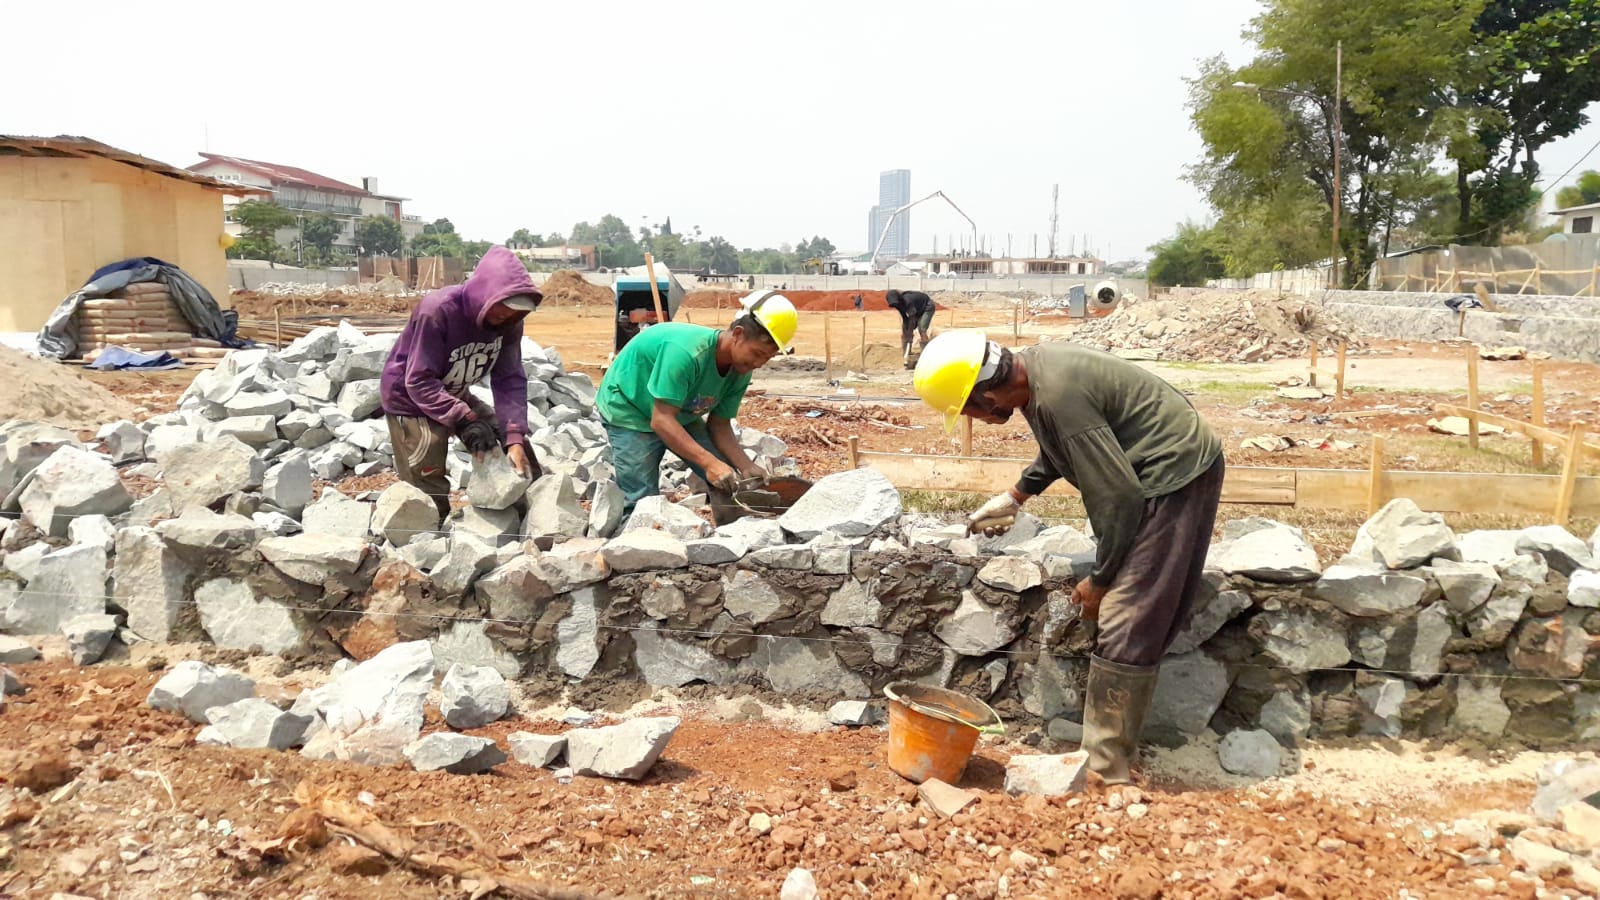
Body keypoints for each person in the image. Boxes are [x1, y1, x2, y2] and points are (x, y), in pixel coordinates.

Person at [912, 331, 1224, 785]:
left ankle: (1104, 769)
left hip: (1172, 476)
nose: (974, 421)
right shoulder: (1036, 374)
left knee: (1126, 613)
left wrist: (1101, 580)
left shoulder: (1058, 397)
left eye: (968, 410)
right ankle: (1104, 755)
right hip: (1163, 468)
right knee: (1134, 603)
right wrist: (1017, 494)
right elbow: (1063, 448)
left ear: (987, 393)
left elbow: (1117, 498)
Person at [597, 290, 799, 519]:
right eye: (758, 353)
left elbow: (720, 425)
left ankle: (731, 531)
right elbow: (661, 420)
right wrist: (709, 462)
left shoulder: (741, 370)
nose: (760, 363)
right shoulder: (686, 354)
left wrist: (745, 466)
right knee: (642, 499)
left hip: (678, 410)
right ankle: (636, 541)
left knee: (725, 477)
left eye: (767, 358)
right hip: (629, 406)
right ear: (738, 334)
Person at [380, 246, 543, 520]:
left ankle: (528, 520)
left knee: (509, 446)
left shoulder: (510, 324)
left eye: (515, 313)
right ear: (486, 295)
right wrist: (464, 419)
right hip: (409, 400)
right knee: (427, 473)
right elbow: (418, 380)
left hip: (452, 389)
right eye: (502, 308)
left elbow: (509, 378)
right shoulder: (439, 311)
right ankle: (430, 538)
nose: (507, 317)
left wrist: (514, 436)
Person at [885, 289, 936, 362]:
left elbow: (912, 319)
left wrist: (910, 333)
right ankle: (907, 352)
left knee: (921, 328)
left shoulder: (907, 301)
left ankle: (926, 353)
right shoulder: (897, 304)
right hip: (917, 309)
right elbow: (905, 316)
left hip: (927, 307)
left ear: (899, 299)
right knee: (905, 329)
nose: (895, 305)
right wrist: (906, 329)